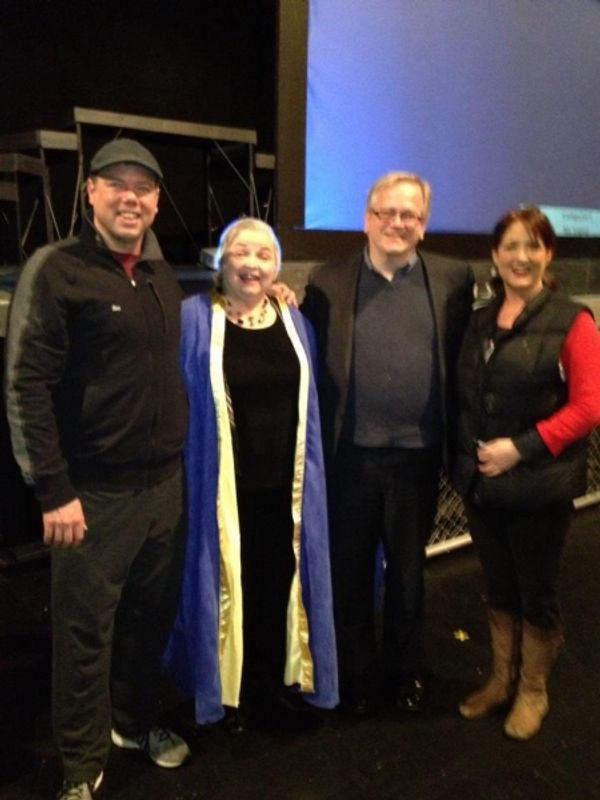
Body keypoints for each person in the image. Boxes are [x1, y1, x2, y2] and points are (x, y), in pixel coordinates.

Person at [5, 138, 191, 799]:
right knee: (84, 635)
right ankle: (82, 766)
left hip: (164, 488)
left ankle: (134, 725)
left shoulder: (162, 274)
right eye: (117, 184)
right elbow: (25, 383)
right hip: (93, 495)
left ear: (158, 201)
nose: (131, 197)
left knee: (148, 621)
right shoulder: (56, 269)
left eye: (144, 188)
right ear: (90, 192)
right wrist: (53, 491)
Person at [301, 171, 473, 714]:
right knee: (348, 573)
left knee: (407, 577)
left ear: (423, 226)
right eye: (386, 213)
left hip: (418, 459)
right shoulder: (327, 280)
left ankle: (404, 674)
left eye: (410, 215)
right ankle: (353, 675)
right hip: (350, 457)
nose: (397, 223)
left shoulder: (453, 278)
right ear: (367, 219)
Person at [164, 217, 338, 733]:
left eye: (265, 255)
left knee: (275, 584)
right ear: (222, 262)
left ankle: (269, 683)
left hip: (284, 489)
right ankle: (226, 692)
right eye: (242, 252)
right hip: (220, 489)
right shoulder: (193, 319)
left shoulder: (293, 319)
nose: (253, 264)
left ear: (277, 267)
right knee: (225, 586)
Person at [453, 206, 600, 740]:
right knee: (498, 589)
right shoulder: (478, 320)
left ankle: (533, 691)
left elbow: (589, 407)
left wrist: (521, 449)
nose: (521, 257)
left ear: (549, 254)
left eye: (533, 246)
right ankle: (500, 680)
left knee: (536, 593)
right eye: (511, 246)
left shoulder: (572, 320)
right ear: (495, 256)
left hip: (539, 486)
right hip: (483, 486)